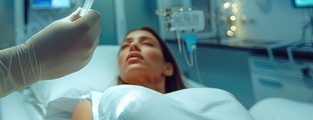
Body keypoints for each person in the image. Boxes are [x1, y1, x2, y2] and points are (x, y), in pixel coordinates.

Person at [71, 27, 253, 120]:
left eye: (147, 43)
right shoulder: (94, 103)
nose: (133, 46)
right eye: (125, 46)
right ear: (120, 66)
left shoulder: (203, 97)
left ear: (168, 68)